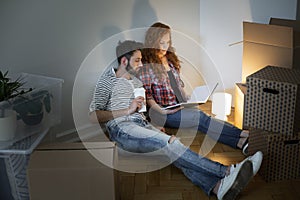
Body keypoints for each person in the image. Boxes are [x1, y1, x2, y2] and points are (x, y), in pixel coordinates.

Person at [89, 40, 263, 199]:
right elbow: (93, 116)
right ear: (124, 61)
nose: (141, 65)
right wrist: (128, 109)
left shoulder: (136, 82)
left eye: (142, 60)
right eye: (137, 60)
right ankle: (227, 171)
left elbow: (142, 112)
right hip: (122, 129)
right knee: (172, 144)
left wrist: (153, 126)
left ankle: (218, 188)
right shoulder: (107, 81)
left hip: (141, 124)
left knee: (174, 154)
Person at [139, 22, 249, 154]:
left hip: (179, 104)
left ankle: (239, 142)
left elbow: (176, 83)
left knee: (203, 121)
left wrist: (188, 97)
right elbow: (147, 95)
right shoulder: (146, 65)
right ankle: (242, 134)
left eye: (167, 42)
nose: (165, 47)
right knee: (201, 118)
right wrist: (162, 111)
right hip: (164, 112)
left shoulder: (169, 58)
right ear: (153, 41)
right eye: (161, 43)